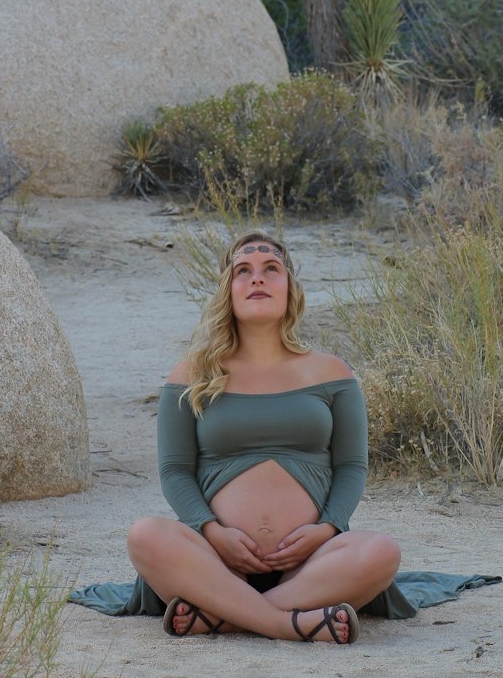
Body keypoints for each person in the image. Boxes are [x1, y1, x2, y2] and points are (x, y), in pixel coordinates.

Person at [125, 230, 402, 645]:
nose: (258, 278)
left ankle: (226, 615)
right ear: (228, 290)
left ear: (289, 288)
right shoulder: (191, 375)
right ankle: (288, 623)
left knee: (382, 552)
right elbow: (175, 471)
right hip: (214, 560)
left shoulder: (331, 372)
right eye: (243, 270)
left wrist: (327, 529)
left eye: (271, 268)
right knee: (145, 535)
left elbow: (351, 467)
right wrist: (212, 531)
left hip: (310, 566)